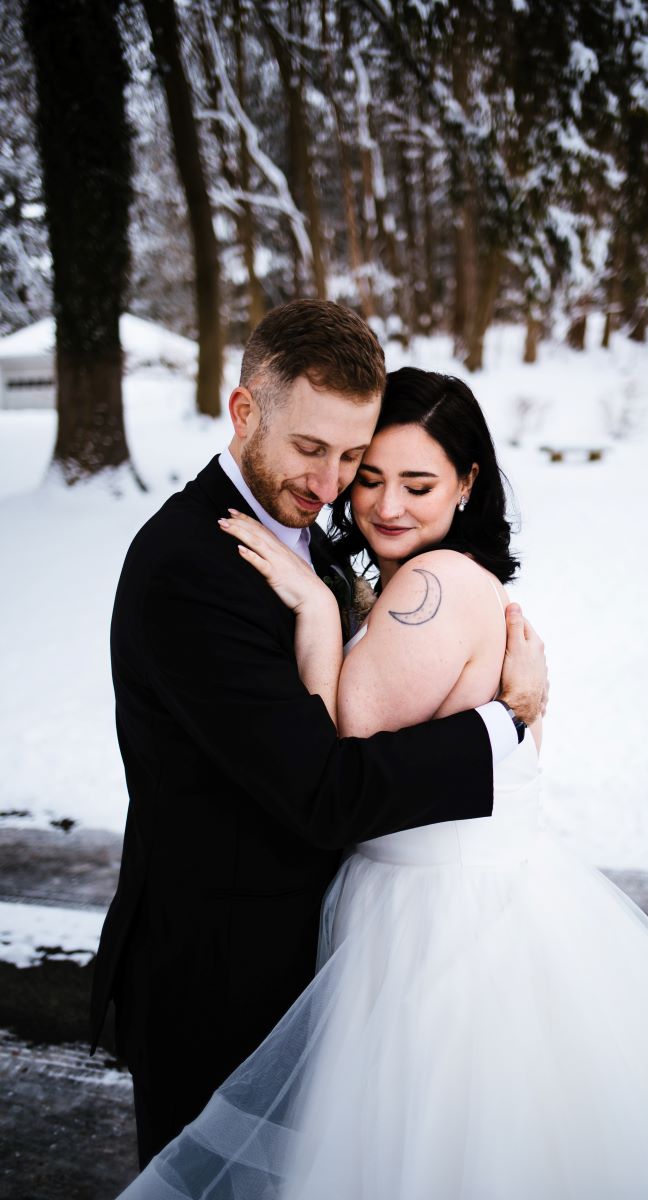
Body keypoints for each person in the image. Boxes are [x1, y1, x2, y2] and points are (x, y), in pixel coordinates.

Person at [118, 367, 648, 1199]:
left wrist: (326, 621)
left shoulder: (433, 586)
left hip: (433, 932)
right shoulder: (436, 580)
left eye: (418, 483)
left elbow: (333, 752)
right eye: (366, 477)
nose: (382, 504)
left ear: (468, 484)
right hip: (446, 906)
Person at [90, 302, 548, 1169]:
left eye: (352, 456)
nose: (335, 484)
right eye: (313, 450)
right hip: (219, 979)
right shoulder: (191, 568)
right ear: (244, 410)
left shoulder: (317, 543)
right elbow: (322, 790)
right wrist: (503, 724)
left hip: (322, 969)